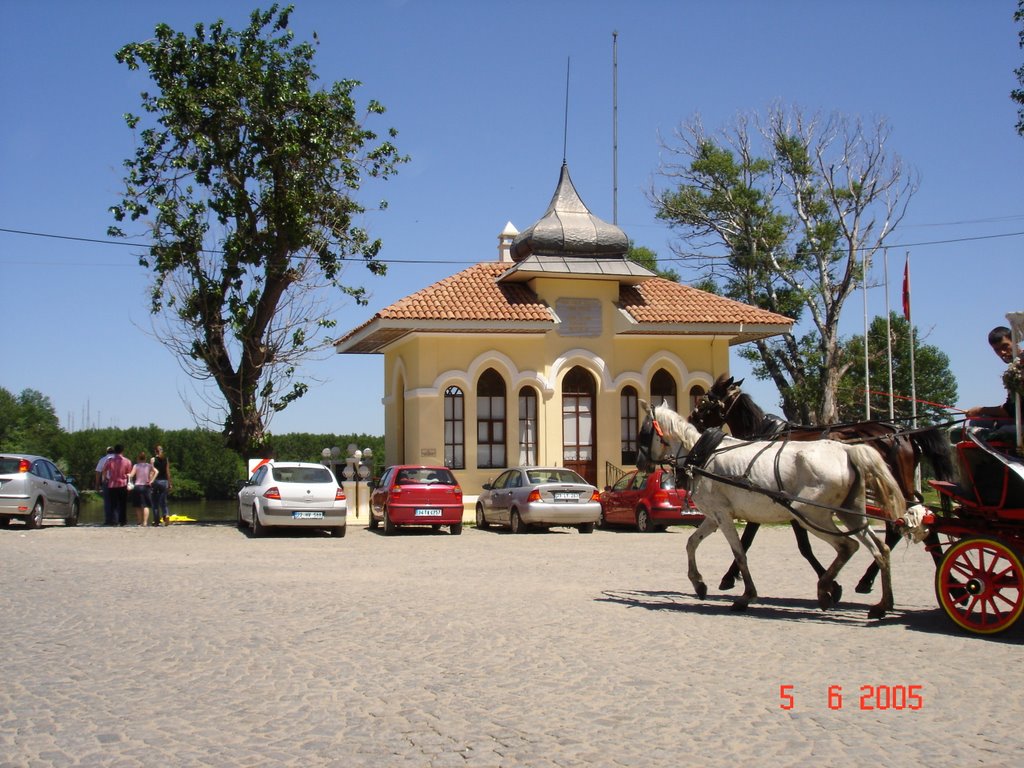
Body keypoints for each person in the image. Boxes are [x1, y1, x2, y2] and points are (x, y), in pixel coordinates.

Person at [966, 326, 1020, 420]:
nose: (1002, 352)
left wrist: (980, 410)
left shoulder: (1019, 368)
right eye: (997, 350)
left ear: (1015, 342)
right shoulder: (1014, 368)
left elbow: (1011, 410)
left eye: (1005, 346)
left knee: (977, 423)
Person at [102, 445, 133, 526]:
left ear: (115, 451)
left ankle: (114, 521)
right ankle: (123, 521)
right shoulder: (127, 461)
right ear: (122, 451)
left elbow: (104, 470)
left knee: (113, 504)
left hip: (112, 484)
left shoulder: (110, 461)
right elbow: (129, 473)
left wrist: (105, 478)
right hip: (123, 484)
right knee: (123, 503)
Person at [129, 452, 158, 527]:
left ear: (138, 458)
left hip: (137, 486)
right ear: (145, 458)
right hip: (146, 486)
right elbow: (156, 472)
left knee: (138, 505)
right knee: (146, 505)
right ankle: (145, 522)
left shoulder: (136, 466)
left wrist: (127, 475)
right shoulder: (148, 465)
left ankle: (139, 522)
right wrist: (151, 480)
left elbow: (131, 475)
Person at [94, 446, 116, 526]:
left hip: (106, 482)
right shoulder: (119, 459)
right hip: (116, 482)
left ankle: (108, 520)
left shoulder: (102, 460)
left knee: (107, 502)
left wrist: (97, 484)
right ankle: (115, 519)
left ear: (107, 452)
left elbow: (98, 472)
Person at [151, 445, 172, 526]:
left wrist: (150, 481)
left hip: (155, 481)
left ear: (155, 451)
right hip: (164, 481)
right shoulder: (166, 459)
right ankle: (166, 514)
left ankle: (156, 520)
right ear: (162, 451)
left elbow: (152, 472)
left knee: (154, 501)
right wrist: (170, 483)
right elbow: (168, 472)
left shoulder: (153, 459)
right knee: (163, 500)